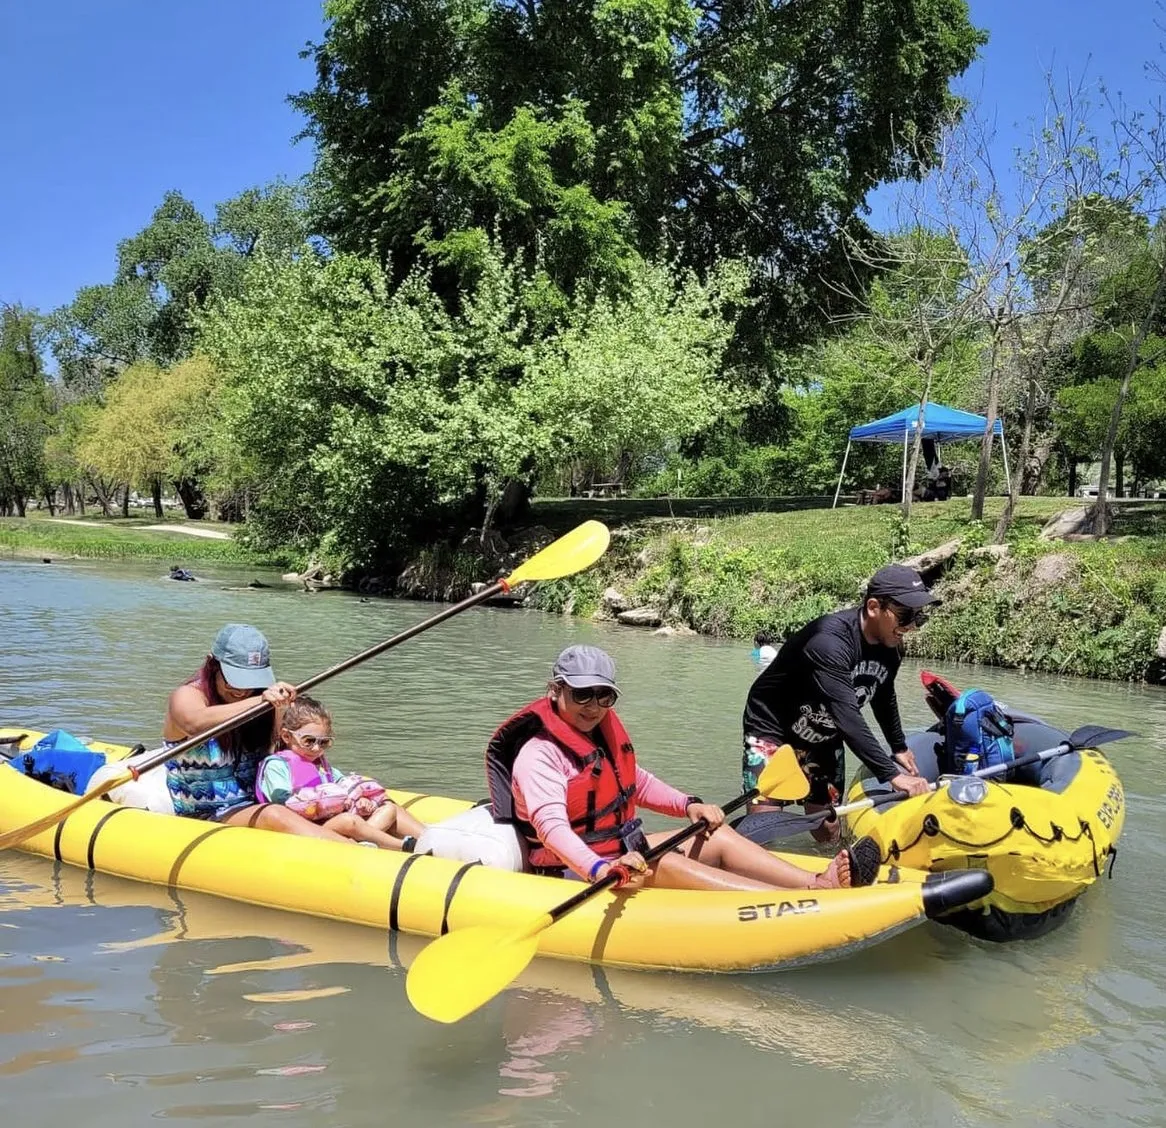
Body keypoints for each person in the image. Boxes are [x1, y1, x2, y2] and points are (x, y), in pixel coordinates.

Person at [486, 645, 865, 892]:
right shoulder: (539, 755)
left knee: (714, 836)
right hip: (571, 872)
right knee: (661, 861)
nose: (593, 706)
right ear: (555, 690)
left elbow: (636, 782)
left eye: (604, 696)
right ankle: (796, 901)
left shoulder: (598, 735)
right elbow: (551, 830)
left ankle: (816, 882)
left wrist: (688, 806)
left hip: (618, 850)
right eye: (581, 694)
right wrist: (599, 867)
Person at [742, 564, 936, 842]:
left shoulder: (893, 647)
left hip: (824, 734)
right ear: (873, 607)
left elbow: (883, 692)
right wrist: (892, 774)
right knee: (764, 829)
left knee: (828, 830)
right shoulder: (829, 642)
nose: (911, 626)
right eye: (905, 614)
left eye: (919, 616)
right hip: (773, 728)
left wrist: (898, 745)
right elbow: (848, 716)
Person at [163, 623, 350, 840]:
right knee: (274, 814)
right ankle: (356, 849)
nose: (242, 690)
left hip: (260, 801)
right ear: (213, 664)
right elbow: (193, 723)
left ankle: (394, 845)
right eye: (234, 680)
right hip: (207, 814)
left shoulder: (262, 703)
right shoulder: (187, 695)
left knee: (354, 792)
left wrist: (280, 709)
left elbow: (283, 750)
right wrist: (259, 701)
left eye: (250, 681)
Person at [254, 695, 426, 850]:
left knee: (389, 809)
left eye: (323, 743)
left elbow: (346, 788)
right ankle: (404, 846)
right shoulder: (278, 766)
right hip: (307, 827)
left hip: (333, 819)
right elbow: (282, 803)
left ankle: (376, 842)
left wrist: (361, 801)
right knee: (348, 821)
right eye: (309, 741)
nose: (316, 748)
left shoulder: (323, 766)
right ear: (286, 736)